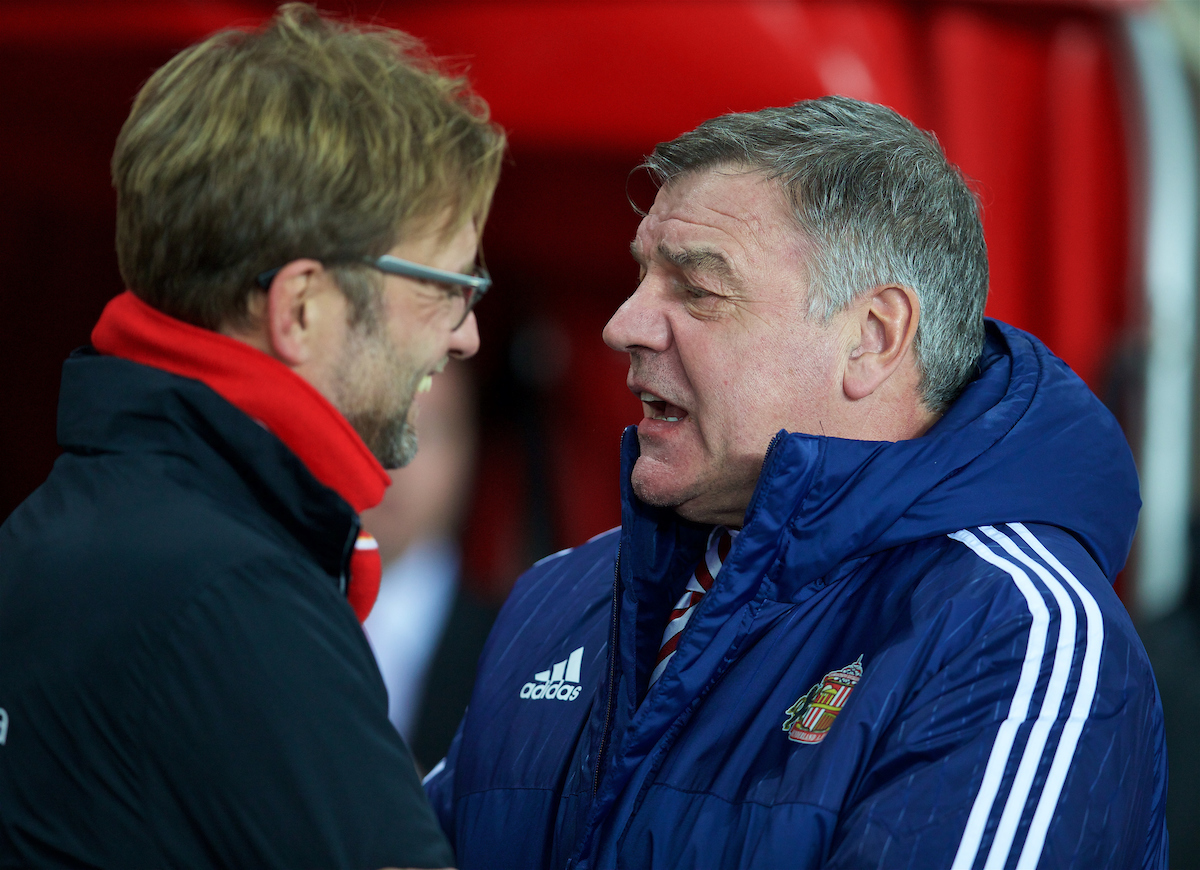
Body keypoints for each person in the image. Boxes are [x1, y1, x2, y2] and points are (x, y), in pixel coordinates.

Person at [425, 96, 1169, 869]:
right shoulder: (560, 597)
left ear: (872, 339)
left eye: (698, 290)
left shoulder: (1011, 631)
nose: (624, 324)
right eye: (643, 276)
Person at [0, 4, 504, 867]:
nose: (465, 336)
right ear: (302, 308)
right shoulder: (235, 597)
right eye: (447, 286)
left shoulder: (62, 527)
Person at [362, 360, 498, 772]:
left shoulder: (509, 640)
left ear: (468, 451)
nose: (397, 461)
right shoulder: (278, 609)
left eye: (427, 431)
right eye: (374, 427)